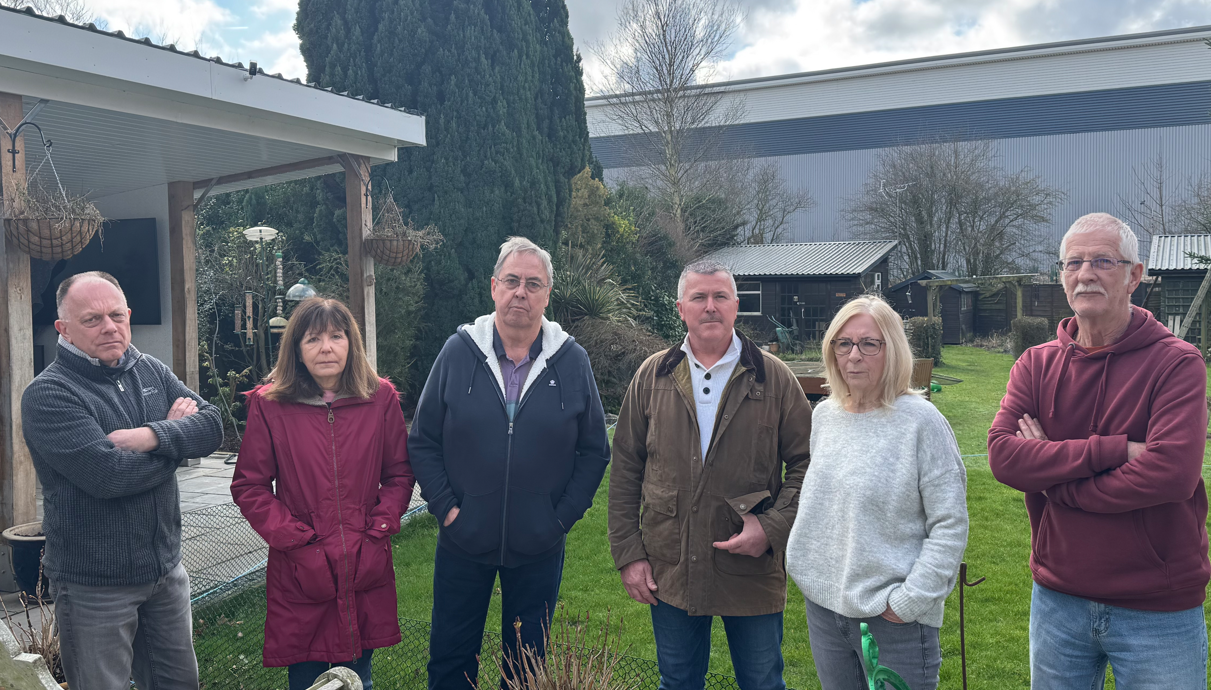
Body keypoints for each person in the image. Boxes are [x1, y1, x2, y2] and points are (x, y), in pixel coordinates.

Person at [988, 212, 1211, 689]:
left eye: (1102, 261)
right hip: (1057, 599)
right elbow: (1004, 457)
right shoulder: (1035, 363)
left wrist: (1054, 480)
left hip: (1157, 606)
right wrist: (1113, 450)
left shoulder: (1177, 363)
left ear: (1134, 274)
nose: (1085, 273)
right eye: (1073, 263)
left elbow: (1171, 474)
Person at [409, 237, 610, 690]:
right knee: (449, 660)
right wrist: (447, 509)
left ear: (546, 294)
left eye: (533, 284)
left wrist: (559, 519)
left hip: (539, 545)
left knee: (525, 667)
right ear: (494, 287)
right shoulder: (458, 352)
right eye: (513, 281)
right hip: (463, 539)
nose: (522, 292)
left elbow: (595, 450)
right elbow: (423, 441)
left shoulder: (572, 361)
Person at [609, 259, 811, 690]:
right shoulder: (651, 377)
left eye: (720, 297)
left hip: (752, 566)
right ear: (681, 308)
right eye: (699, 297)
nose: (710, 307)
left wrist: (772, 527)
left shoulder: (774, 378)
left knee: (762, 682)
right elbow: (625, 468)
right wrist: (629, 553)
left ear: (736, 306)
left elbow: (808, 463)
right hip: (672, 564)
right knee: (678, 681)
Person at [20, 271, 224, 690]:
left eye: (116, 314)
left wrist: (152, 436)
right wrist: (177, 446)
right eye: (92, 319)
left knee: (179, 684)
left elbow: (213, 426)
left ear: (129, 314)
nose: (110, 327)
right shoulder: (49, 394)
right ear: (64, 329)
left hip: (165, 572)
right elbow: (109, 476)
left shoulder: (148, 369)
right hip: (94, 585)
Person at [232, 297, 414, 690]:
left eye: (336, 336)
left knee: (357, 678)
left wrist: (378, 529)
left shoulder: (379, 398)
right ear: (297, 349)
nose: (326, 347)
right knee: (307, 680)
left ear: (351, 343)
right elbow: (250, 486)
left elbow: (399, 473)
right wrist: (300, 544)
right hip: (301, 571)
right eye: (313, 339)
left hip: (364, 564)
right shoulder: (270, 405)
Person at [787, 295, 967, 690]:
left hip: (892, 622)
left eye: (869, 344)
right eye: (843, 343)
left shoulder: (922, 422)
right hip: (825, 613)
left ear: (894, 351)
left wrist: (909, 603)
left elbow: (950, 524)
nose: (854, 355)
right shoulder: (825, 416)